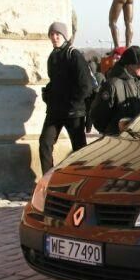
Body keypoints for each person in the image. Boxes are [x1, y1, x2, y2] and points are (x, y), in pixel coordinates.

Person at [39, 22, 93, 174]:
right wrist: (48, 94)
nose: (54, 37)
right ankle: (47, 180)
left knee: (79, 149)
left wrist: (73, 102)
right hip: (55, 111)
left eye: (58, 34)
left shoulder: (73, 54)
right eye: (51, 34)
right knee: (45, 143)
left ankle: (82, 178)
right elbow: (55, 82)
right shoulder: (53, 56)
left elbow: (86, 85)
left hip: (73, 111)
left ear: (64, 36)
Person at [90, 45, 140, 135]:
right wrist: (115, 130)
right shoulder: (112, 85)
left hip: (139, 136)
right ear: (130, 65)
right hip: (118, 138)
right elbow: (99, 117)